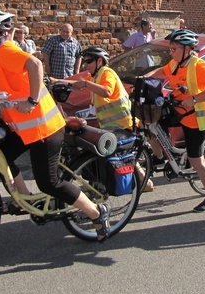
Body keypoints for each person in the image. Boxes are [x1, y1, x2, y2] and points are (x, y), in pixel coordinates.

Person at [0, 9, 111, 241]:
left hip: (45, 128)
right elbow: (15, 84)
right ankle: (26, 200)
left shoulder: (4, 50)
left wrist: (33, 100)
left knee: (50, 182)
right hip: (27, 129)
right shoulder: (0, 55)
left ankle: (96, 213)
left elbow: (35, 64)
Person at [145, 29, 205, 212]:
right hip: (180, 111)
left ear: (187, 49)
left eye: (175, 49)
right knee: (151, 123)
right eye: (170, 48)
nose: (171, 52)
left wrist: (195, 98)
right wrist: (144, 79)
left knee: (197, 161)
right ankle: (161, 157)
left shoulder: (199, 66)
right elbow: (161, 71)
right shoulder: (175, 63)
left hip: (196, 119)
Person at [54, 46, 154, 192]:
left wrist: (87, 84)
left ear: (99, 61)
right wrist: (55, 80)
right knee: (120, 154)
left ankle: (106, 183)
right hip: (111, 125)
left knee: (110, 152)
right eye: (85, 61)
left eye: (88, 61)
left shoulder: (107, 73)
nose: (85, 65)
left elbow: (107, 91)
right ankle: (144, 182)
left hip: (122, 124)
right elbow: (77, 85)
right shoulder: (96, 75)